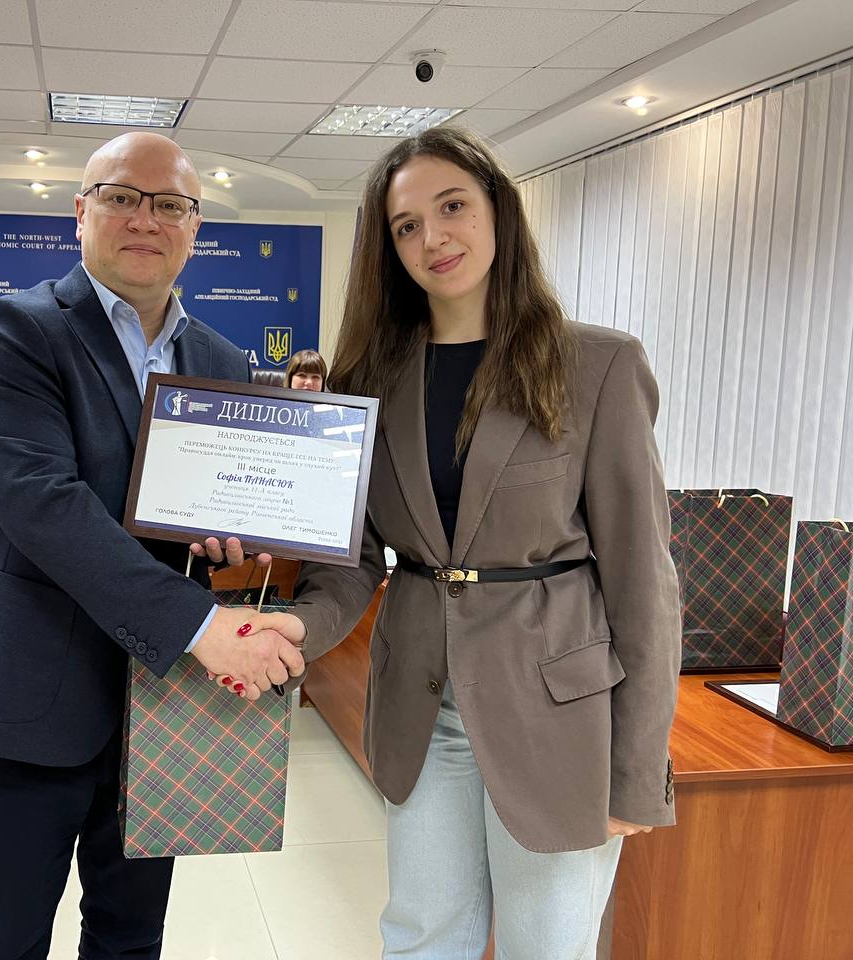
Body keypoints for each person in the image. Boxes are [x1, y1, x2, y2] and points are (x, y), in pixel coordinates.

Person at [225, 126, 682, 959]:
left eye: (452, 207)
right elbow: (352, 557)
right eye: (406, 225)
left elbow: (644, 584)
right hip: (421, 704)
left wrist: (636, 772)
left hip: (558, 714)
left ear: (498, 211)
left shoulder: (597, 366)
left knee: (548, 945)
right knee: (422, 938)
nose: (433, 237)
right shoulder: (369, 378)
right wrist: (294, 625)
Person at [0, 131, 304, 960]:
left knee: (131, 938)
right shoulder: (15, 330)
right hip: (35, 698)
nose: (146, 219)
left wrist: (227, 538)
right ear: (81, 212)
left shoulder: (221, 359)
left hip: (163, 707)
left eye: (170, 204)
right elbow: (47, 508)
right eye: (122, 197)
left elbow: (202, 510)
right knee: (6, 942)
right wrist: (203, 626)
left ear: (195, 227)